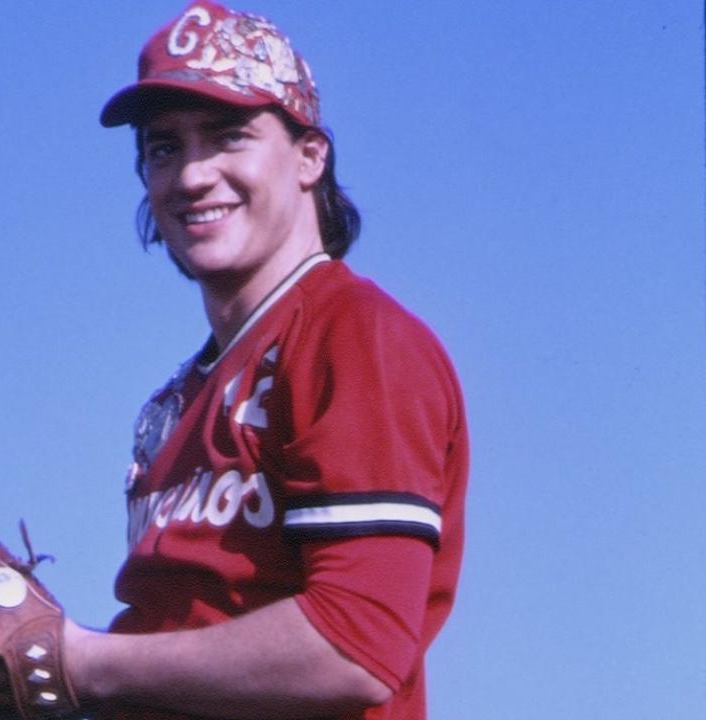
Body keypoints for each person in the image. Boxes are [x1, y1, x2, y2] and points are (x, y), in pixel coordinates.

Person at [62, 2, 469, 719]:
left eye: (228, 136)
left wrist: (77, 660)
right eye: (164, 147)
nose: (191, 176)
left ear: (310, 156)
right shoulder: (175, 400)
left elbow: (356, 643)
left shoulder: (355, 336)